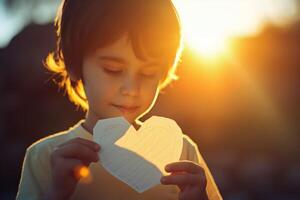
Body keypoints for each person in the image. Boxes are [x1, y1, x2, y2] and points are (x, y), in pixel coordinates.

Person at [16, 0, 222, 199]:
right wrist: (56, 194)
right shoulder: (46, 157)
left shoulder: (182, 152)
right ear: (74, 66)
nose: (132, 89)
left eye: (148, 73)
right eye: (113, 70)